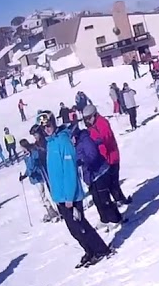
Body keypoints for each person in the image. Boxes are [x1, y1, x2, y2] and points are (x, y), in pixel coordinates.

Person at [39, 111, 112, 268]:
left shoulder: (63, 141)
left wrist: (69, 197)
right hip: (60, 196)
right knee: (74, 230)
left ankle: (100, 249)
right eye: (44, 127)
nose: (47, 129)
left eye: (49, 125)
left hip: (70, 197)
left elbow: (70, 172)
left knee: (81, 226)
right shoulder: (50, 143)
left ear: (54, 123)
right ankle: (89, 250)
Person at [74, 127, 125, 230]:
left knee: (103, 199)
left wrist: (83, 161)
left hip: (99, 173)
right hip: (90, 176)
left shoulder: (85, 140)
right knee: (97, 199)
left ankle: (115, 219)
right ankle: (104, 219)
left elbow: (93, 154)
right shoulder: (77, 144)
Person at [82, 105, 129, 206]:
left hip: (110, 158)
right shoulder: (91, 127)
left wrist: (100, 151)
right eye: (85, 119)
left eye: (89, 118)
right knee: (110, 183)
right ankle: (119, 200)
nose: (87, 121)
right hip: (104, 159)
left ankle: (120, 200)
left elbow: (106, 139)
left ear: (94, 115)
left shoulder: (102, 123)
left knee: (113, 182)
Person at [19, 133, 60, 223]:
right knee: (44, 195)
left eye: (21, 147)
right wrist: (25, 175)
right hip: (37, 176)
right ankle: (53, 212)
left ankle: (53, 213)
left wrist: (26, 175)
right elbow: (29, 167)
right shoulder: (28, 153)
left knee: (43, 196)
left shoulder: (32, 153)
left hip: (38, 176)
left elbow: (31, 166)